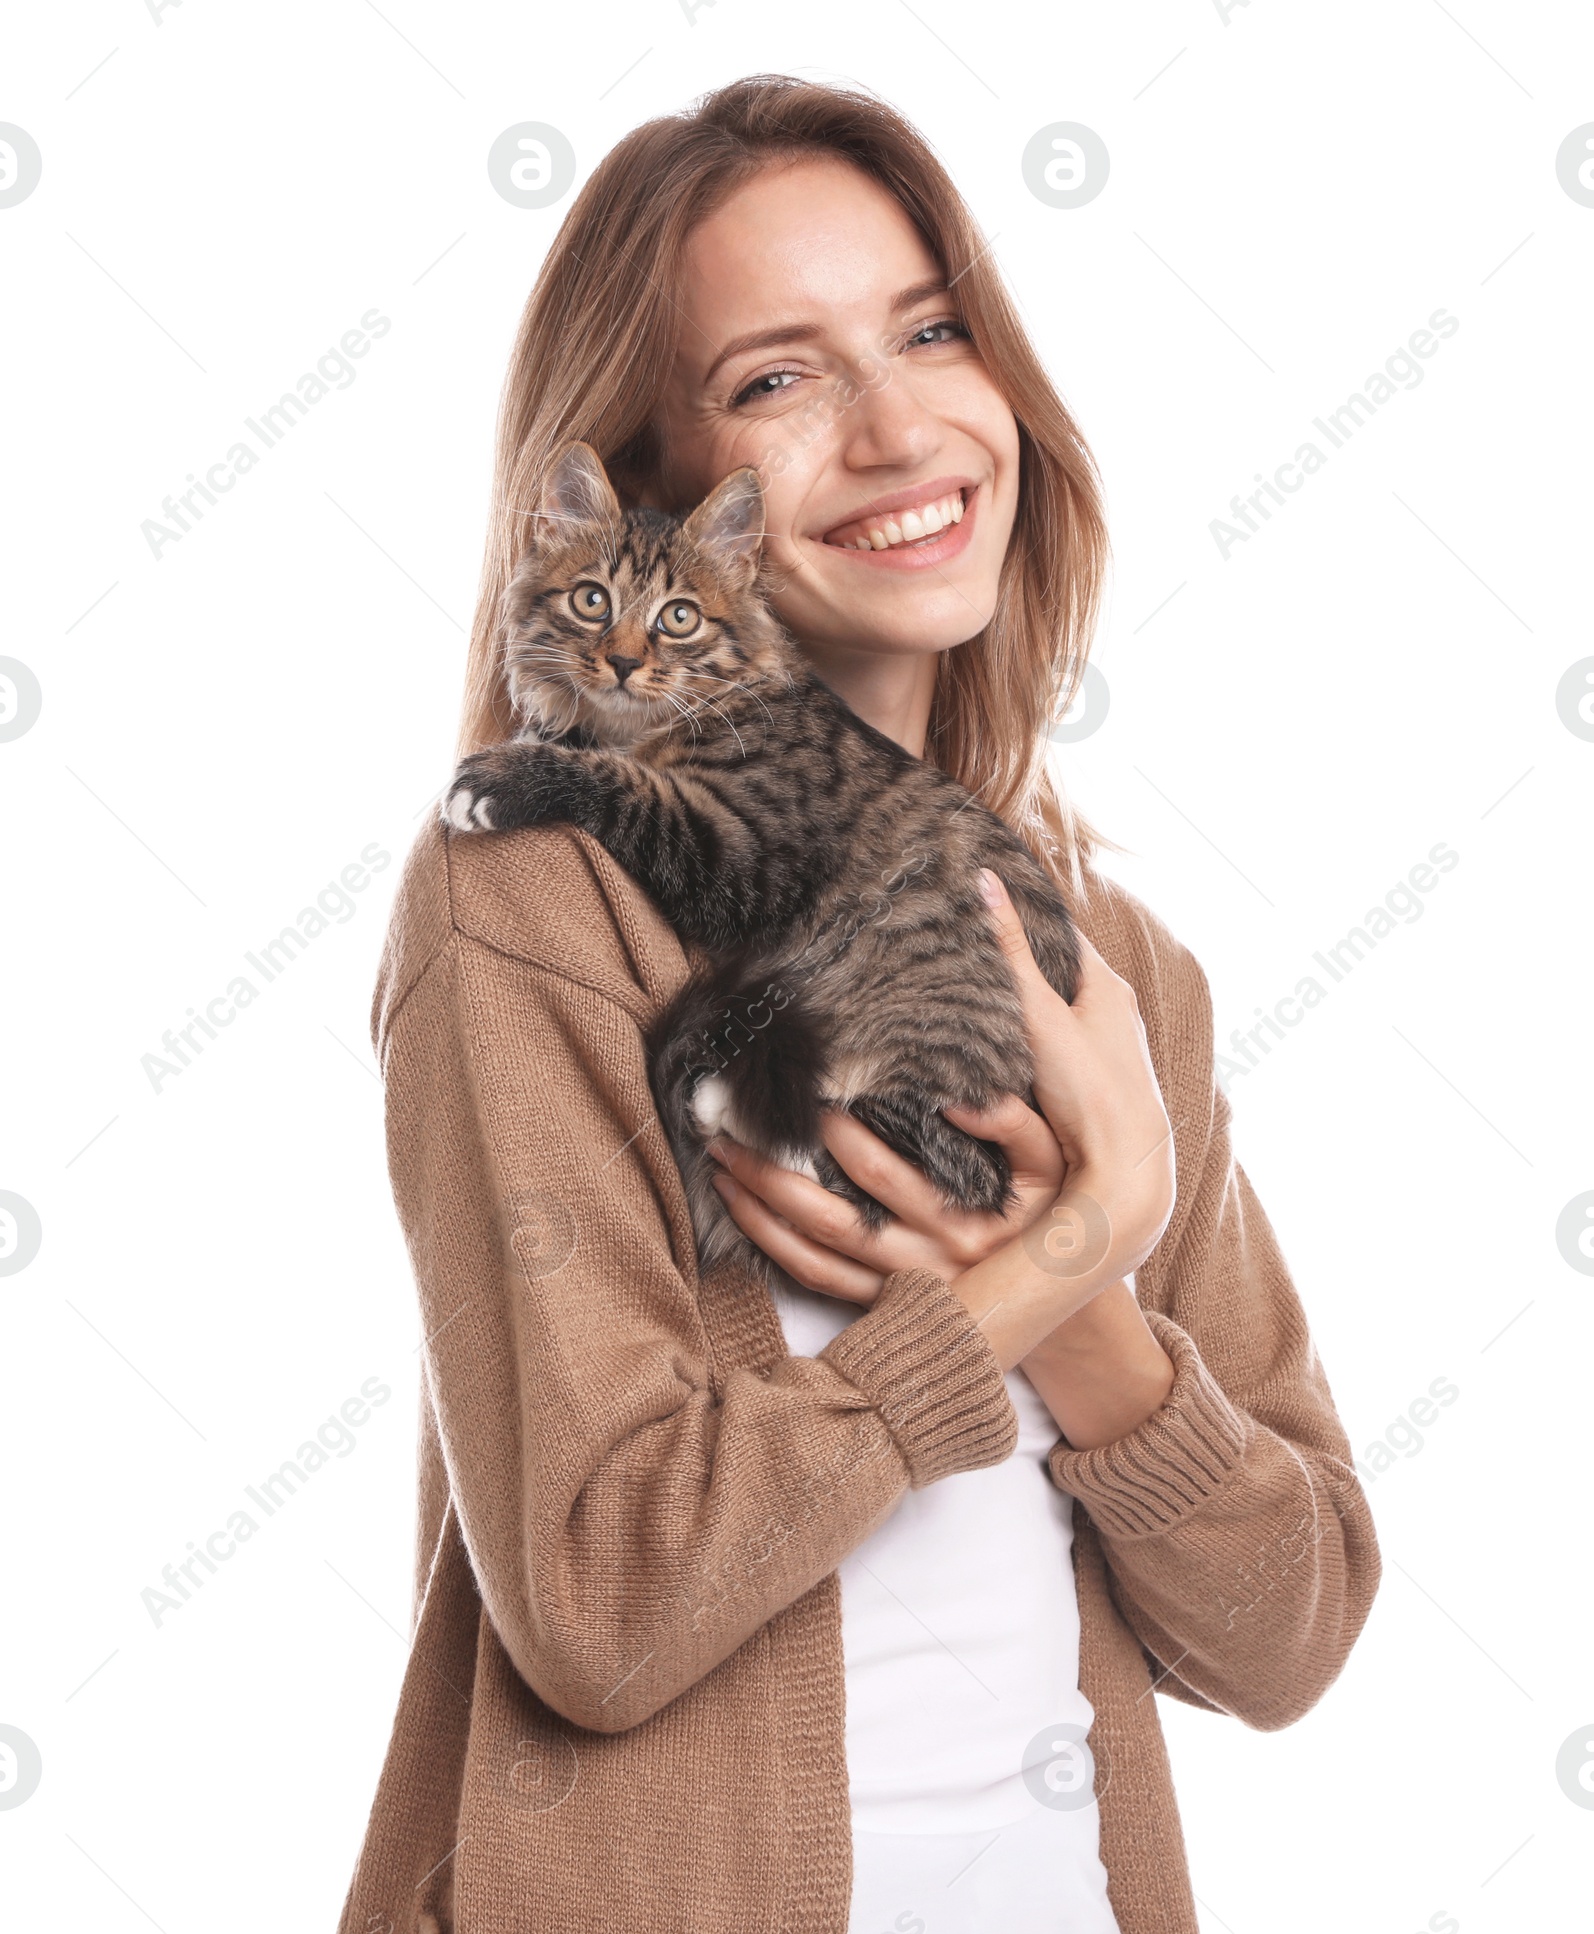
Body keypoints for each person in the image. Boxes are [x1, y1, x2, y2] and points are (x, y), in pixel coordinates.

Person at [338, 74, 1380, 1934]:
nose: (905, 426)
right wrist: (1053, 1259)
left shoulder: (1116, 971)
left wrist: (1100, 1344)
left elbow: (1292, 1630)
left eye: (929, 327)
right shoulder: (528, 907)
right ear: (659, 514)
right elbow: (600, 1597)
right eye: (776, 378)